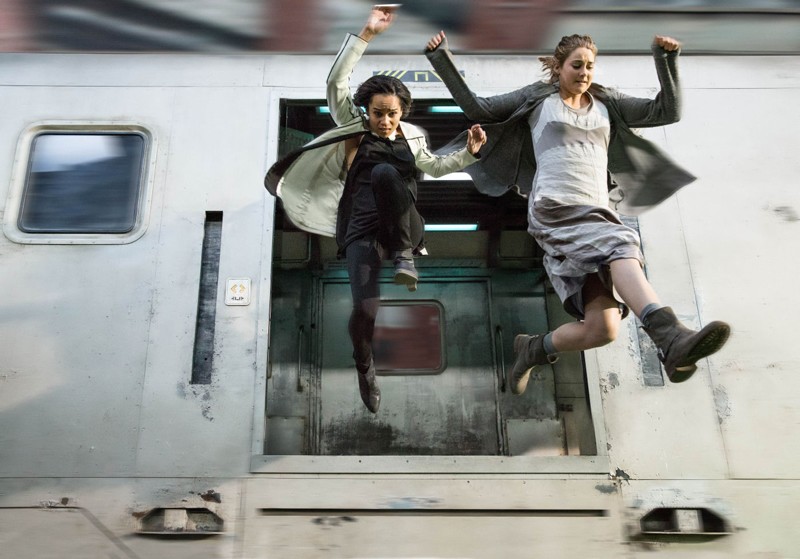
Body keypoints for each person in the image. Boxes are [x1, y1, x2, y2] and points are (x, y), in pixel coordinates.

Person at [424, 31, 729, 393]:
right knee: (622, 245)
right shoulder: (538, 99)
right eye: (577, 65)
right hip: (555, 206)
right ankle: (669, 337)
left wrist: (665, 60)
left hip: (597, 211)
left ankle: (534, 348)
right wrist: (441, 58)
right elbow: (479, 108)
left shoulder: (607, 102)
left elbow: (667, 111)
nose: (584, 73)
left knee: (603, 328)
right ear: (558, 67)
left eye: (590, 66)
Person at [265, 6, 486, 413]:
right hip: (360, 229)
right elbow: (336, 82)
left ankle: (404, 255)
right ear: (367, 111)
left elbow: (436, 167)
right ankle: (364, 366)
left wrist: (468, 154)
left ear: (403, 113)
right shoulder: (354, 127)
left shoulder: (412, 138)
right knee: (366, 310)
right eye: (378, 113)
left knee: (386, 172)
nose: (385, 121)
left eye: (392, 114)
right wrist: (366, 34)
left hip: (403, 224)